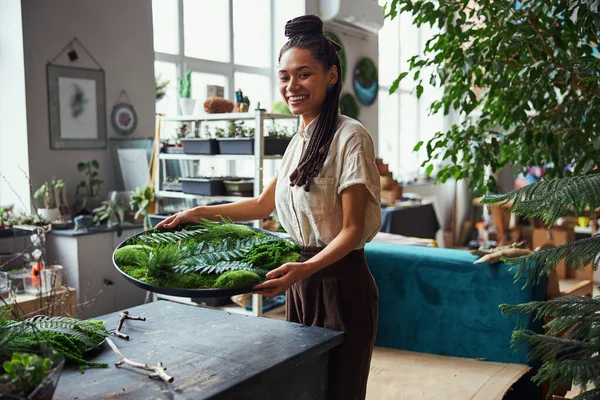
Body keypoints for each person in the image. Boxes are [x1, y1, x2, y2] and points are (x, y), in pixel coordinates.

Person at [157, 14, 381, 400]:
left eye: (304, 74)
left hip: (340, 283)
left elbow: (352, 230)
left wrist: (304, 269)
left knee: (340, 390)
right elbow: (263, 204)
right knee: (304, 388)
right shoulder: (297, 143)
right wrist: (198, 213)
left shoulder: (351, 138)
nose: (291, 86)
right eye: (284, 76)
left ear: (331, 75)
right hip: (300, 282)